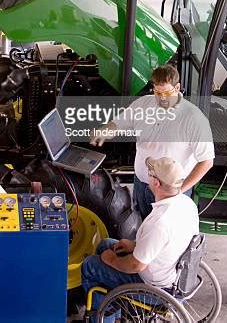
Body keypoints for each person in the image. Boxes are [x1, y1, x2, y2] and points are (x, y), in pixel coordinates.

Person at [81, 157, 199, 321]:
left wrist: (112, 260)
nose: (147, 175)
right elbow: (167, 243)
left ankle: (103, 316)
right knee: (105, 245)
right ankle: (113, 304)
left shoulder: (160, 221)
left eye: (150, 173)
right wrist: (134, 246)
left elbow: (136, 265)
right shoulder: (187, 204)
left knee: (90, 265)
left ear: (156, 183)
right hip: (173, 273)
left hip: (155, 288)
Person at [90, 64, 214, 219]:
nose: (161, 98)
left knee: (166, 235)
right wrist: (105, 130)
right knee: (139, 226)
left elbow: (207, 161)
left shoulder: (194, 118)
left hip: (171, 192)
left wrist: (179, 191)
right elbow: (120, 122)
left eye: (166, 92)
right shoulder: (143, 104)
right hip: (142, 183)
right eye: (157, 92)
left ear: (177, 88)